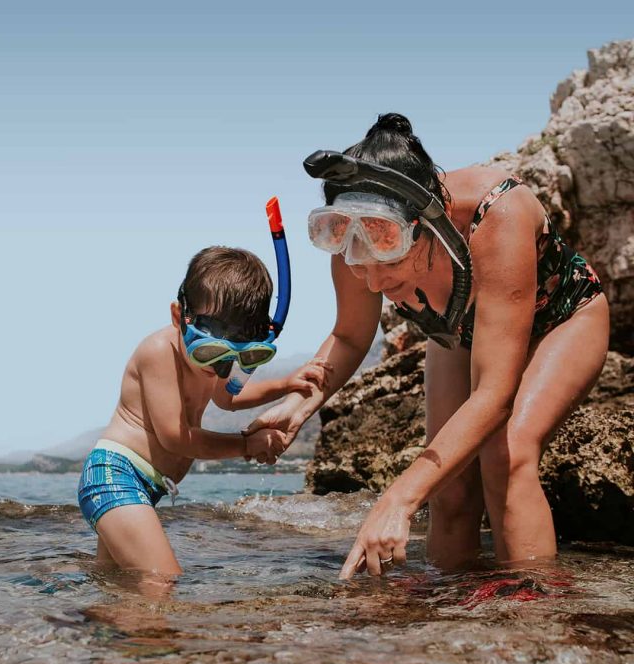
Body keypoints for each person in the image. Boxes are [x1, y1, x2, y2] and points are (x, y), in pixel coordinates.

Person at [246, 113, 609, 579]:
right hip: (457, 331)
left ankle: (531, 603)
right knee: (449, 486)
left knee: (506, 454)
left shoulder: (498, 212)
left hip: (562, 317)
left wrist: (397, 499)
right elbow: (351, 336)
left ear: (426, 221)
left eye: (389, 260)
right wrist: (300, 403)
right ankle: (447, 600)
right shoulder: (355, 234)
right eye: (361, 266)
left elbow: (495, 395)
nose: (374, 282)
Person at [78, 245, 331, 594]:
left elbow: (229, 398)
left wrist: (285, 384)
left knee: (117, 587)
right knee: (161, 581)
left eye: (234, 355)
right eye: (210, 352)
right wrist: (245, 446)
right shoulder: (160, 352)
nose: (220, 367)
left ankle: (88, 627)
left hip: (145, 485)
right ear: (178, 316)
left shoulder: (211, 360)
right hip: (115, 476)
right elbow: (175, 437)